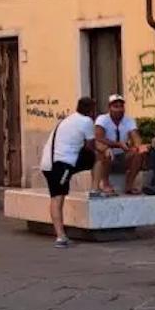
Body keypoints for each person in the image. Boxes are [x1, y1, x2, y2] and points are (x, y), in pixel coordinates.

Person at [40, 94, 98, 246]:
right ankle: (60, 236)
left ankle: (61, 235)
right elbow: (91, 145)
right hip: (61, 164)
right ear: (91, 110)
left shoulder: (69, 119)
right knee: (58, 198)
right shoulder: (86, 121)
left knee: (55, 197)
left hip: (48, 163)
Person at [92, 94, 146, 195]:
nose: (119, 109)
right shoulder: (102, 119)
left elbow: (135, 136)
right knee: (105, 151)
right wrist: (118, 144)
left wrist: (138, 146)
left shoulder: (129, 120)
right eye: (115, 106)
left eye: (121, 106)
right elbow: (99, 138)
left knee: (138, 153)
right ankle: (106, 184)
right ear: (109, 108)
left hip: (123, 155)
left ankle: (129, 185)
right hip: (107, 153)